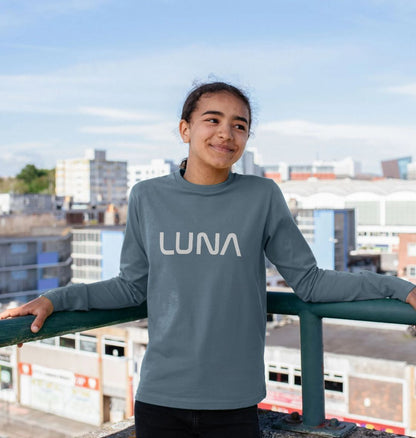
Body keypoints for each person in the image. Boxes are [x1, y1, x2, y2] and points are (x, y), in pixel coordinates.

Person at [1, 81, 416, 438]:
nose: (227, 133)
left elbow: (310, 282)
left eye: (240, 125)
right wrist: (57, 299)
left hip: (234, 400)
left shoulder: (262, 196)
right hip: (160, 396)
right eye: (213, 120)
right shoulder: (147, 196)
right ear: (185, 129)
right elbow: (130, 286)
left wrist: (400, 288)